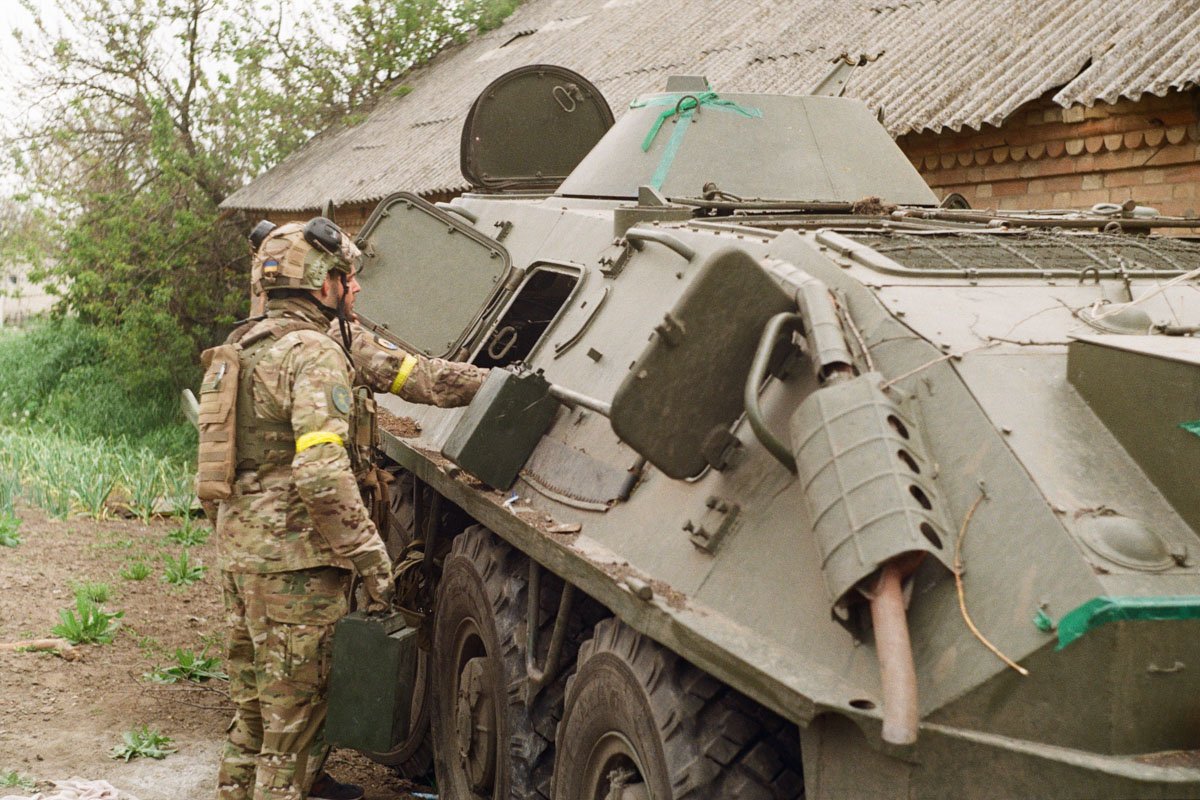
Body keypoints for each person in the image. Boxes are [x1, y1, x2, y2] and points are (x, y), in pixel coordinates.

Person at [206, 217, 486, 800]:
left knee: (254, 716)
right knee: (293, 729)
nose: (356, 286)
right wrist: (370, 558)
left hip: (240, 556)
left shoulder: (242, 345)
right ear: (321, 283)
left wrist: (485, 384)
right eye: (346, 276)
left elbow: (415, 376)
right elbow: (320, 471)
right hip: (296, 566)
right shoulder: (316, 353)